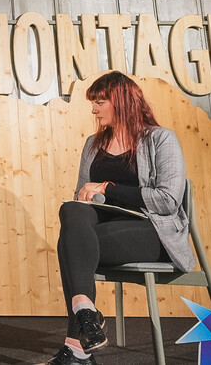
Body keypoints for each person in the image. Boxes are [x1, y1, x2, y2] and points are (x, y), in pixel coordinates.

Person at [44, 71, 197, 365]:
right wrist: (86, 196)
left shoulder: (160, 138)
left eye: (100, 102)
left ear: (122, 101)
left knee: (71, 245)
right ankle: (86, 314)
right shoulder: (92, 144)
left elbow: (167, 200)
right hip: (103, 233)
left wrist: (108, 188)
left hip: (151, 232)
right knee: (71, 211)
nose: (93, 109)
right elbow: (81, 196)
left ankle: (77, 348)